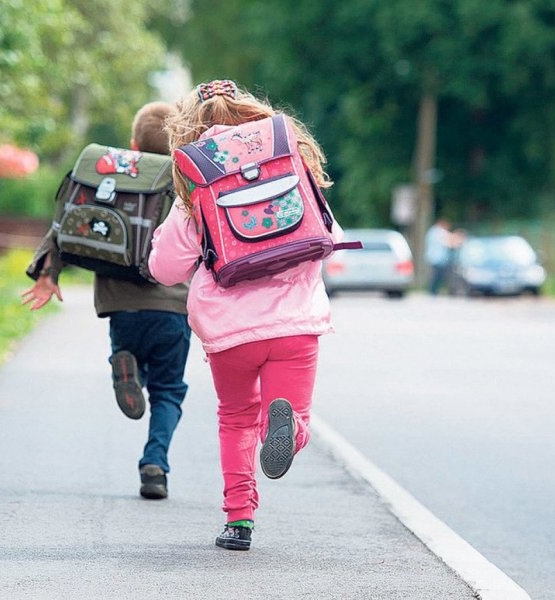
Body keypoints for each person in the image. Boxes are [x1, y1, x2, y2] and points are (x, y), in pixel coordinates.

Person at [148, 80, 345, 550]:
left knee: (236, 419)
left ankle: (239, 521)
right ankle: (289, 431)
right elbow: (331, 236)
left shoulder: (197, 180)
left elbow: (165, 268)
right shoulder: (288, 163)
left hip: (230, 331)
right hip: (295, 324)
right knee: (290, 415)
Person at [21, 101, 191, 501]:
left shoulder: (112, 174)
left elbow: (68, 220)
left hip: (119, 305)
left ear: (133, 144)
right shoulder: (185, 182)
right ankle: (155, 465)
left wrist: (48, 273)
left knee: (135, 356)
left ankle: (126, 365)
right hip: (171, 307)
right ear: (179, 143)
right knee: (168, 391)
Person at [424, 217, 462, 295]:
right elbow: (449, 241)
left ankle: (433, 291)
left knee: (436, 276)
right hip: (438, 259)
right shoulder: (439, 232)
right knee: (438, 276)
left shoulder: (432, 231)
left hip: (433, 258)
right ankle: (434, 291)